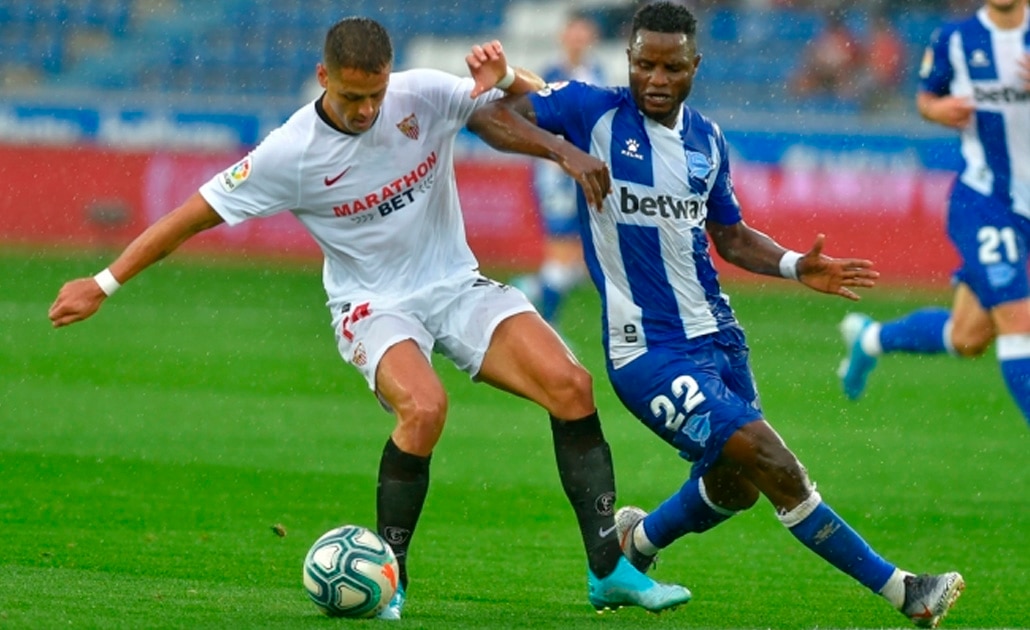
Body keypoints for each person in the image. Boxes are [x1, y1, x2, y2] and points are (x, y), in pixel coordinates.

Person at [47, 17, 691, 619]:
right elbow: (189, 216)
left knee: (571, 386)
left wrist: (558, 149)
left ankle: (607, 568)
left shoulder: (418, 93)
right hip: (372, 305)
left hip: (455, 284)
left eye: (375, 95)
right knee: (425, 408)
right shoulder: (290, 153)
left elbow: (494, 113)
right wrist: (104, 282)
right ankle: (391, 578)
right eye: (352, 96)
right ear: (324, 78)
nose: (365, 109)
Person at [466, 2, 965, 627]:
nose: (656, 79)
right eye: (644, 65)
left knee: (738, 484)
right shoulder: (591, 110)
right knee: (775, 463)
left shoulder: (707, 139)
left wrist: (794, 266)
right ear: (628, 60)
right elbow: (487, 116)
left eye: (671, 68)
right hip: (648, 354)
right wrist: (562, 153)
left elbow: (728, 235)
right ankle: (905, 591)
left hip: (719, 338)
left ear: (694, 66)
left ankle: (636, 543)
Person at [838, 0, 1030, 431]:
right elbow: (927, 98)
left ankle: (871, 338)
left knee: (968, 337)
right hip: (986, 201)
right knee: (1019, 319)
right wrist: (938, 111)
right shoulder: (956, 39)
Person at [512, 12, 606, 328]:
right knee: (561, 253)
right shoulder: (549, 76)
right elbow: (536, 121)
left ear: (592, 38)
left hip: (586, 172)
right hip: (557, 176)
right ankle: (547, 324)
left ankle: (528, 290)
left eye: (584, 35)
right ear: (563, 38)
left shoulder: (597, 74)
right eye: (574, 35)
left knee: (579, 263)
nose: (578, 41)